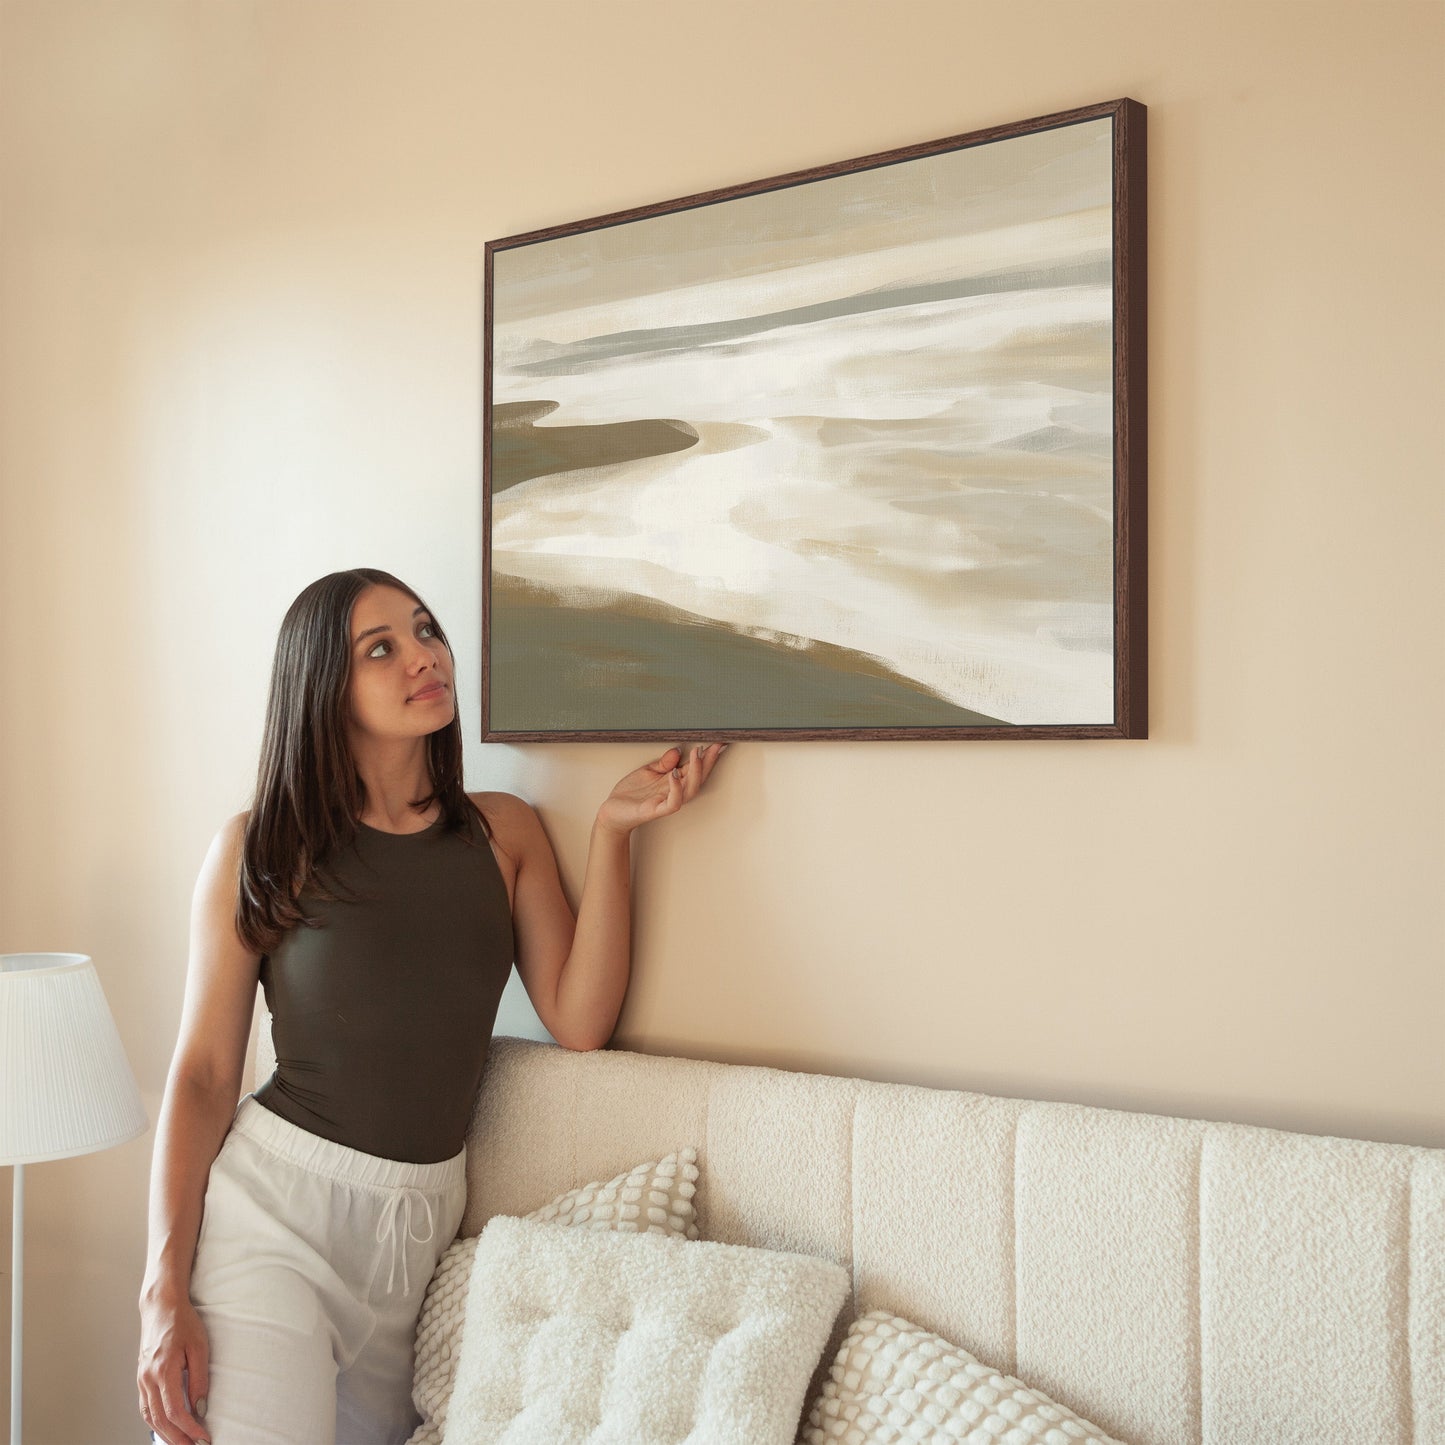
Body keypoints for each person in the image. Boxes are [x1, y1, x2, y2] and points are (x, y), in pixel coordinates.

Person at [136, 568, 727, 1445]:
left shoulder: (502, 832)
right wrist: (162, 1289)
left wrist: (611, 834)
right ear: (323, 689)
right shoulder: (263, 846)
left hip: (418, 1233)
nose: (424, 656)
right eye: (382, 648)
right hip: (273, 1221)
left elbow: (579, 1019)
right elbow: (204, 1075)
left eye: (424, 630)